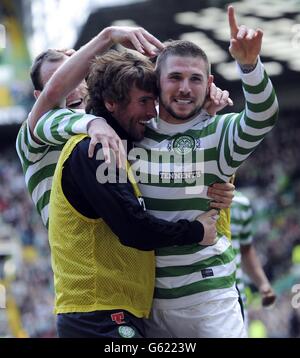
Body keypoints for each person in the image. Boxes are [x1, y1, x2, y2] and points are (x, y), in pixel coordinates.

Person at [48, 50, 227, 338]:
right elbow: (135, 228)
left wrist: (210, 188)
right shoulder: (94, 150)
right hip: (98, 316)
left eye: (154, 102)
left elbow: (162, 178)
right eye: (144, 102)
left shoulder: (122, 147)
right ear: (111, 103)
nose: (151, 112)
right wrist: (195, 231)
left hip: (115, 312)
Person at [136, 5, 279, 338]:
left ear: (209, 83)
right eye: (175, 77)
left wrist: (249, 65)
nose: (185, 87)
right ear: (157, 82)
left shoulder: (218, 133)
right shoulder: (132, 134)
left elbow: (262, 116)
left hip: (210, 302)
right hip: (147, 307)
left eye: (195, 78)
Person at [231, 189, 276, 327]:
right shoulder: (188, 196)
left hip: (236, 301)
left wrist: (263, 283)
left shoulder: (241, 203)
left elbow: (246, 249)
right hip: (196, 297)